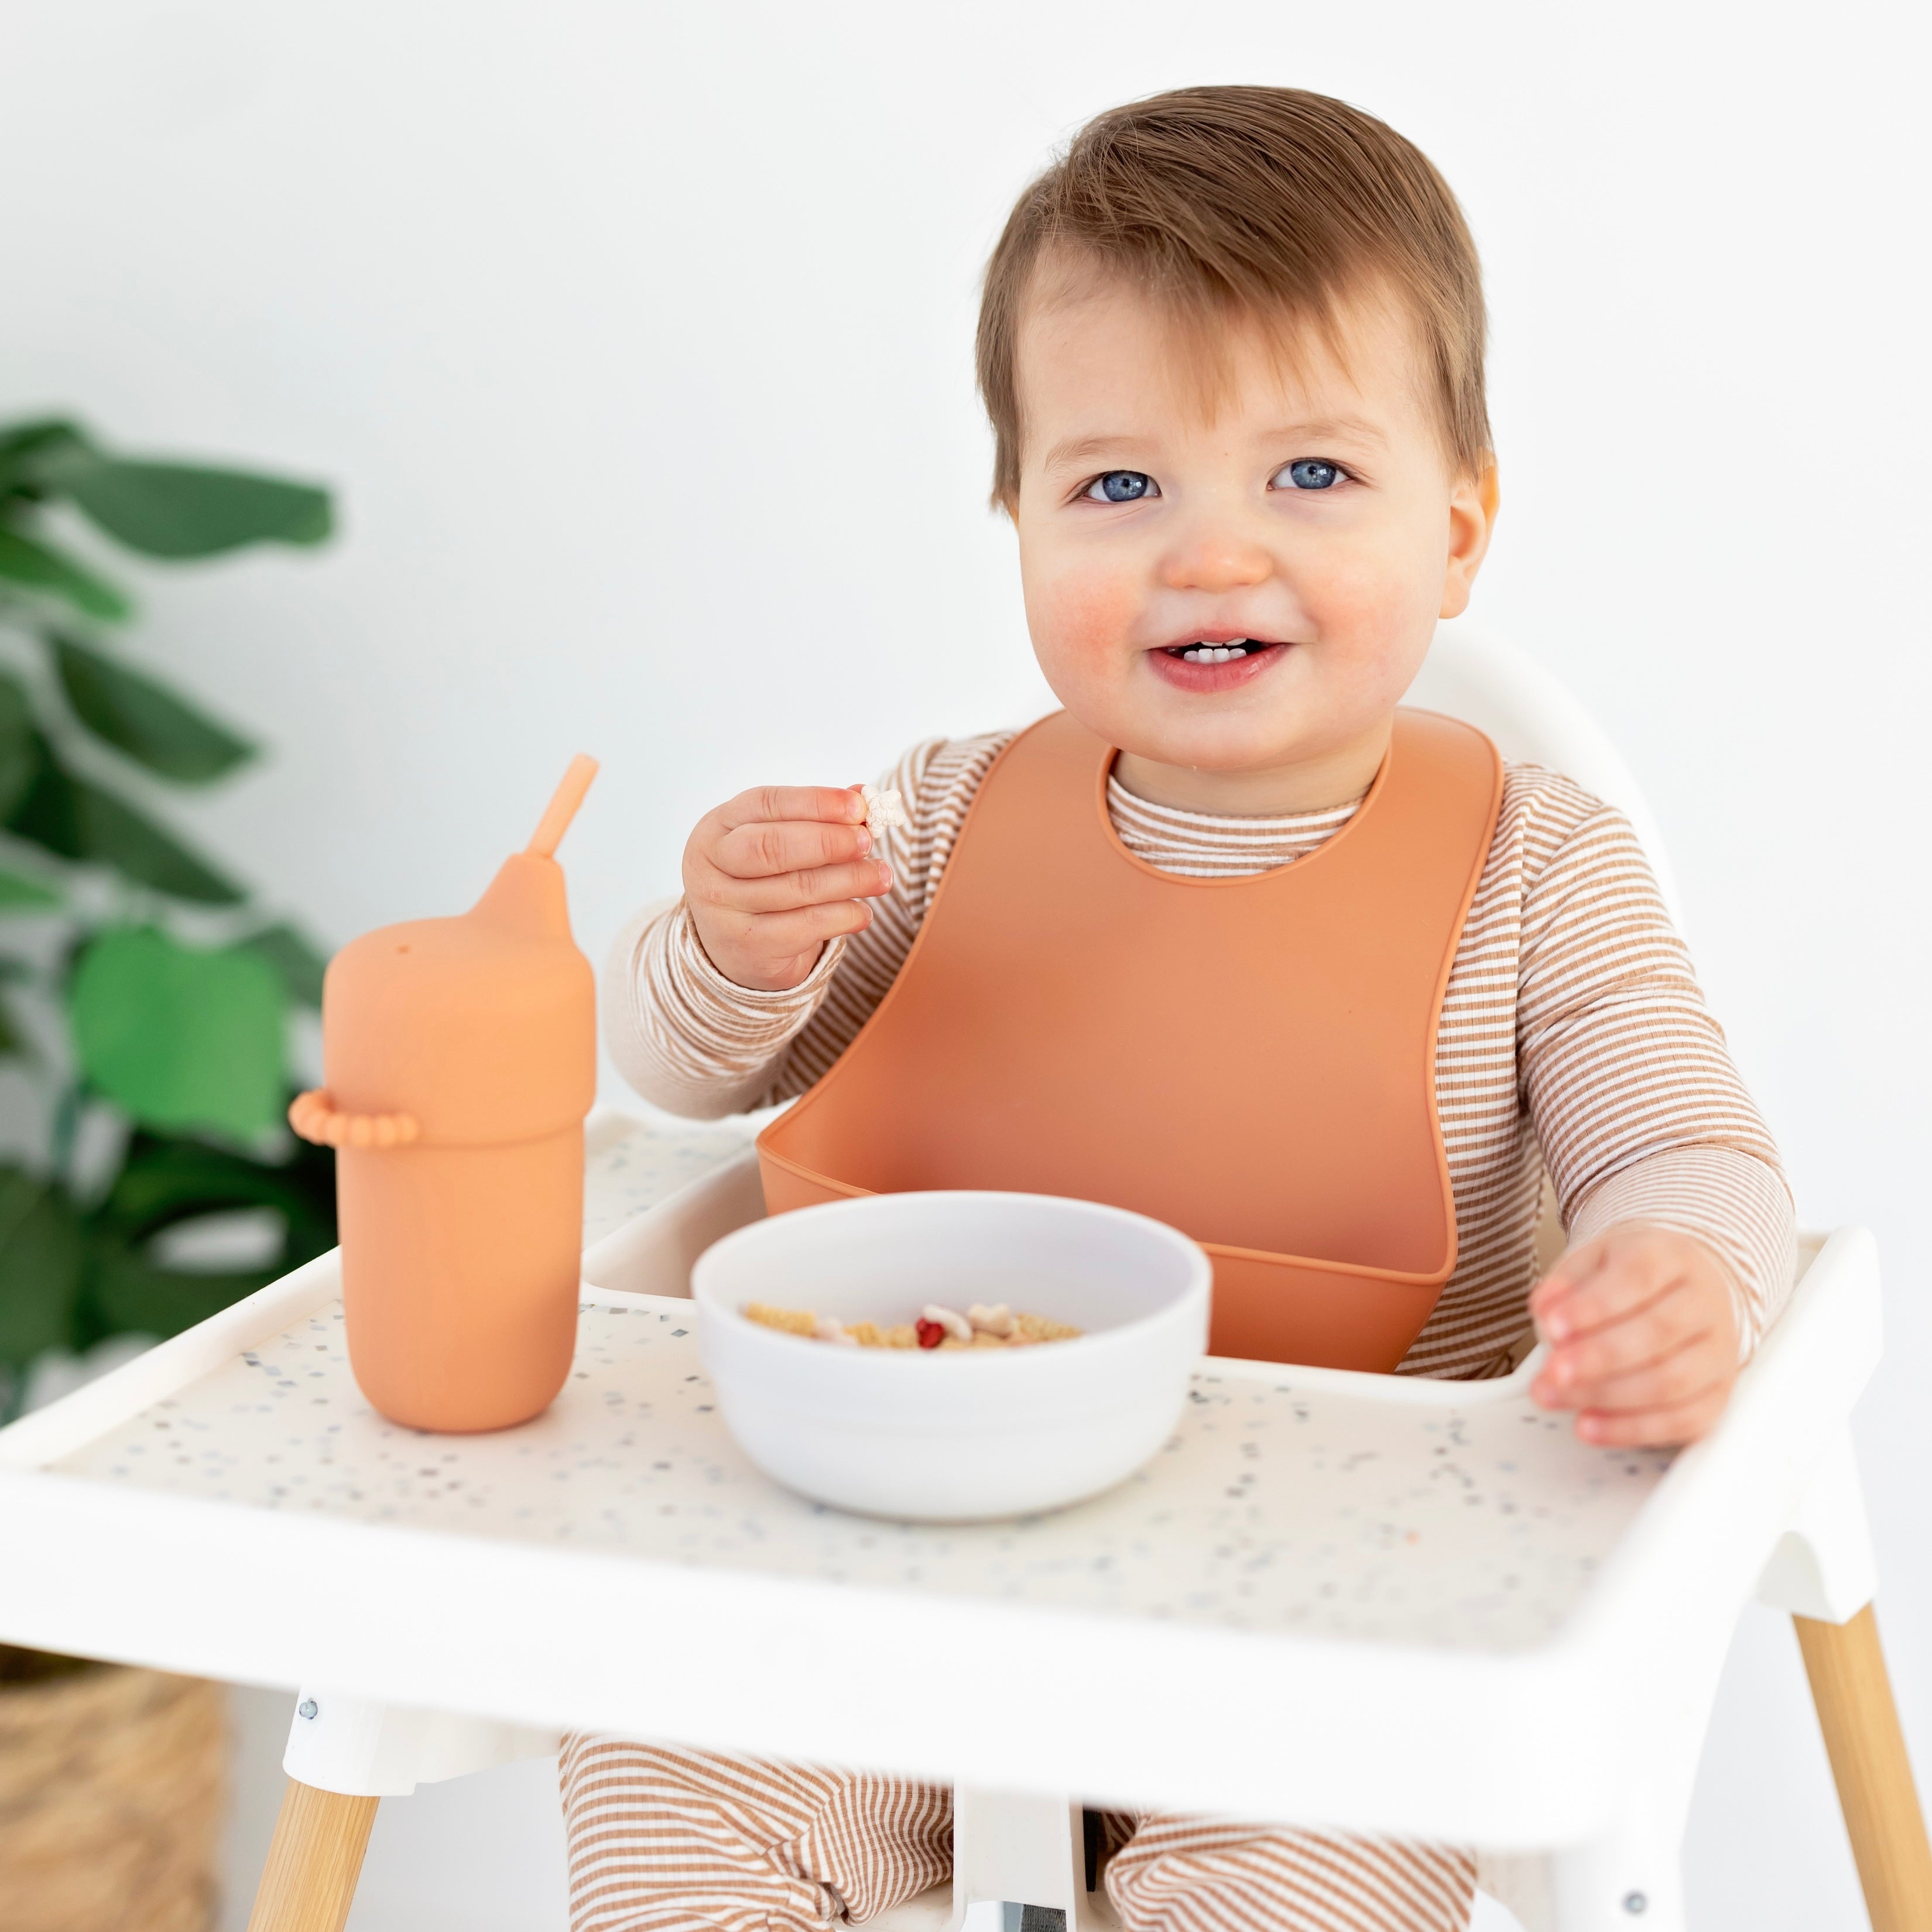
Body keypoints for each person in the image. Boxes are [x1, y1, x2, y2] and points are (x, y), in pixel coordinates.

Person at [565, 85, 1793, 1932]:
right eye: (1120, 485)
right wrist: (737, 948)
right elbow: (681, 1082)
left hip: (1329, 1599)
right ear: (1017, 518)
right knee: (670, 1756)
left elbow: (1680, 1141)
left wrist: (1677, 1283)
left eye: (1309, 474)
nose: (1210, 553)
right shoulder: (940, 813)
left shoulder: (1542, 866)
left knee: (1310, 1865)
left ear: (1455, 530)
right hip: (904, 1528)